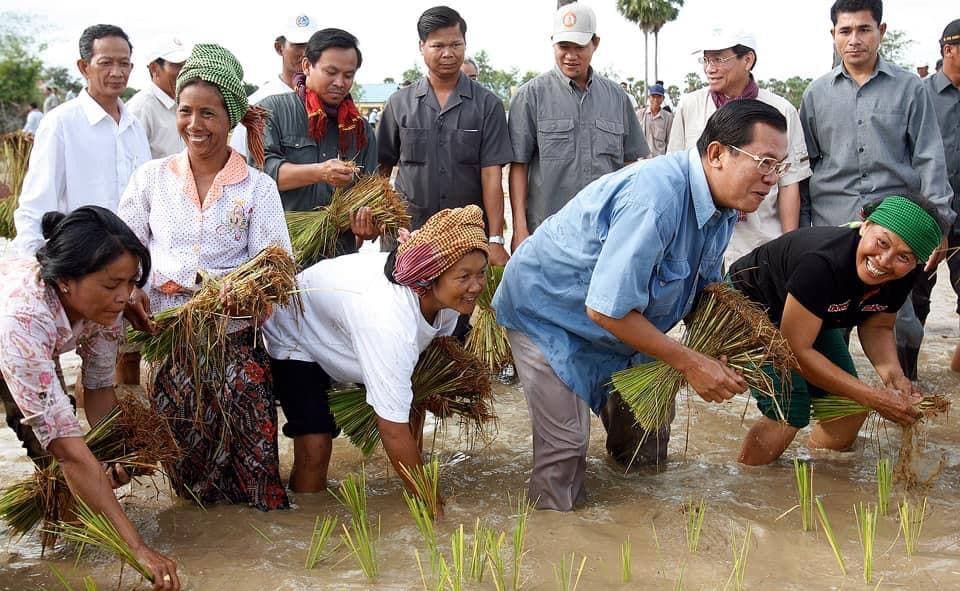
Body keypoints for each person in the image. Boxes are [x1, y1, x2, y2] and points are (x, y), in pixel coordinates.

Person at [492, 100, 789, 511]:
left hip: (622, 324)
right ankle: (556, 542)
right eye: (766, 163)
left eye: (780, 167)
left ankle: (639, 530)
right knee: (565, 453)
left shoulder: (722, 208)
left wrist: (721, 346)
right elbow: (606, 310)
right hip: (550, 314)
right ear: (718, 154)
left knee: (647, 436)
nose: (773, 180)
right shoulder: (657, 198)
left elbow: (702, 288)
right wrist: (690, 363)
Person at [118, 44, 292, 511]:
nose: (194, 125)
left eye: (208, 114)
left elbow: (275, 273)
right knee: (191, 487)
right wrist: (133, 292)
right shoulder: (150, 179)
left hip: (237, 348)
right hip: (170, 347)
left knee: (255, 478)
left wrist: (240, 297)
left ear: (231, 118)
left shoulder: (258, 187)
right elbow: (124, 254)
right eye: (185, 111)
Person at [0, 206, 180, 590]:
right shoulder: (25, 317)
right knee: (61, 457)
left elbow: (99, 390)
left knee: (65, 468)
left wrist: (119, 453)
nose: (124, 297)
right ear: (67, 279)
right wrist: (136, 548)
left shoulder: (104, 310)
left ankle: (60, 551)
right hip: (11, 338)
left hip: (26, 349)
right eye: (111, 284)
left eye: (130, 283)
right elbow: (68, 450)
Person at [264, 206, 487, 495]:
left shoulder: (450, 305)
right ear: (431, 277)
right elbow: (392, 429)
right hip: (297, 328)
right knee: (315, 444)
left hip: (346, 330)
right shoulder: (390, 322)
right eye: (464, 276)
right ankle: (305, 514)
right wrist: (433, 507)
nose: (476, 286)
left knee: (406, 400)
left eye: (481, 273)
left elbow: (415, 382)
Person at [799, 0, 954, 380]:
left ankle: (906, 401)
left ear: (881, 32)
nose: (854, 40)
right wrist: (802, 230)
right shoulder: (815, 94)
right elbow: (804, 168)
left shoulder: (909, 90)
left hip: (896, 228)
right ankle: (834, 415)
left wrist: (939, 228)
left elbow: (929, 158)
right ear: (833, 35)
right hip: (831, 227)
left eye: (864, 30)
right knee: (824, 323)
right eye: (845, 31)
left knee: (899, 320)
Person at [730, 196, 938, 465]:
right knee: (789, 411)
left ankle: (819, 478)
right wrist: (874, 397)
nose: (885, 261)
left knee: (849, 409)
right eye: (882, 243)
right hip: (750, 303)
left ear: (914, 263)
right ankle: (750, 487)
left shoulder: (903, 274)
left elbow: (878, 325)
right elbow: (796, 351)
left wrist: (894, 377)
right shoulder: (823, 263)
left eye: (903, 256)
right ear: (865, 226)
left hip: (810, 313)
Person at [378, 6, 513, 265]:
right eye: (438, 46)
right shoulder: (399, 104)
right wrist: (382, 221)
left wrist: (495, 238)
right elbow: (382, 170)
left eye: (456, 44)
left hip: (465, 238)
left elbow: (492, 175)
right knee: (404, 304)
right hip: (408, 236)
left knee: (465, 303)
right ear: (421, 46)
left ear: (465, 44)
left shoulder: (487, 105)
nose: (448, 53)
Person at [507, 2, 647, 251]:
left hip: (606, 232)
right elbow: (519, 166)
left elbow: (630, 166)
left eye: (579, 47)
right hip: (548, 233)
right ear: (553, 43)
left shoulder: (617, 97)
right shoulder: (531, 96)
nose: (571, 56)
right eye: (564, 47)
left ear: (595, 43)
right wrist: (520, 229)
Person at [668, 28, 811, 262]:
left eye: (718, 59)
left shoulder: (782, 111)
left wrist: (788, 250)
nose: (709, 68)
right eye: (706, 60)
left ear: (747, 60)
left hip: (759, 243)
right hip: (698, 243)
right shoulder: (689, 106)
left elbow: (789, 184)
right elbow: (677, 175)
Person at [13, 24, 151, 257]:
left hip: (131, 266)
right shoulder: (61, 123)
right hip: (82, 265)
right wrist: (35, 267)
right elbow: (36, 205)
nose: (117, 72)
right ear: (84, 67)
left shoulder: (134, 127)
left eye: (124, 63)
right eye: (106, 63)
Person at [260, 28, 380, 264]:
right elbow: (262, 174)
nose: (340, 83)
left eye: (348, 75)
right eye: (331, 72)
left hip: (338, 260)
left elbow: (371, 196)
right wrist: (320, 172)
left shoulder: (361, 130)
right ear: (306, 66)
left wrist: (370, 227)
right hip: (279, 256)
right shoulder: (271, 111)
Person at [912, 20, 960, 372]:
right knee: (913, 303)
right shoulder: (919, 95)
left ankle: (956, 381)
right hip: (923, 217)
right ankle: (905, 380)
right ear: (948, 50)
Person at [230, 13, 319, 158]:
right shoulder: (257, 103)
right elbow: (239, 157)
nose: (305, 52)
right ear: (279, 48)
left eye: (312, 46)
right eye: (298, 45)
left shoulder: (328, 101)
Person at [126, 38, 191, 158]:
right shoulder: (141, 108)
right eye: (176, 65)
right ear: (154, 69)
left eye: (185, 65)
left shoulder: (185, 103)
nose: (183, 72)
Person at [639, 83, 673, 157]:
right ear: (649, 97)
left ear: (663, 98)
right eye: (653, 96)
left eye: (659, 97)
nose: (655, 99)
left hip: (659, 161)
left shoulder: (668, 117)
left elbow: (670, 141)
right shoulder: (640, 114)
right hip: (642, 160)